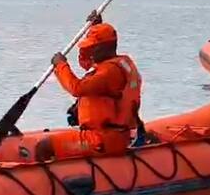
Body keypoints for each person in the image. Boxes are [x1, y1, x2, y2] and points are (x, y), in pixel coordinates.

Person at [35, 14, 143, 161]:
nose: (90, 51)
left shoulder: (109, 73)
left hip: (103, 139)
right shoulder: (116, 63)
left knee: (44, 146)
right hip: (113, 134)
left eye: (93, 47)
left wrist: (60, 65)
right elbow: (86, 62)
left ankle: (46, 181)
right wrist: (95, 27)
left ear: (104, 48)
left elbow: (77, 88)